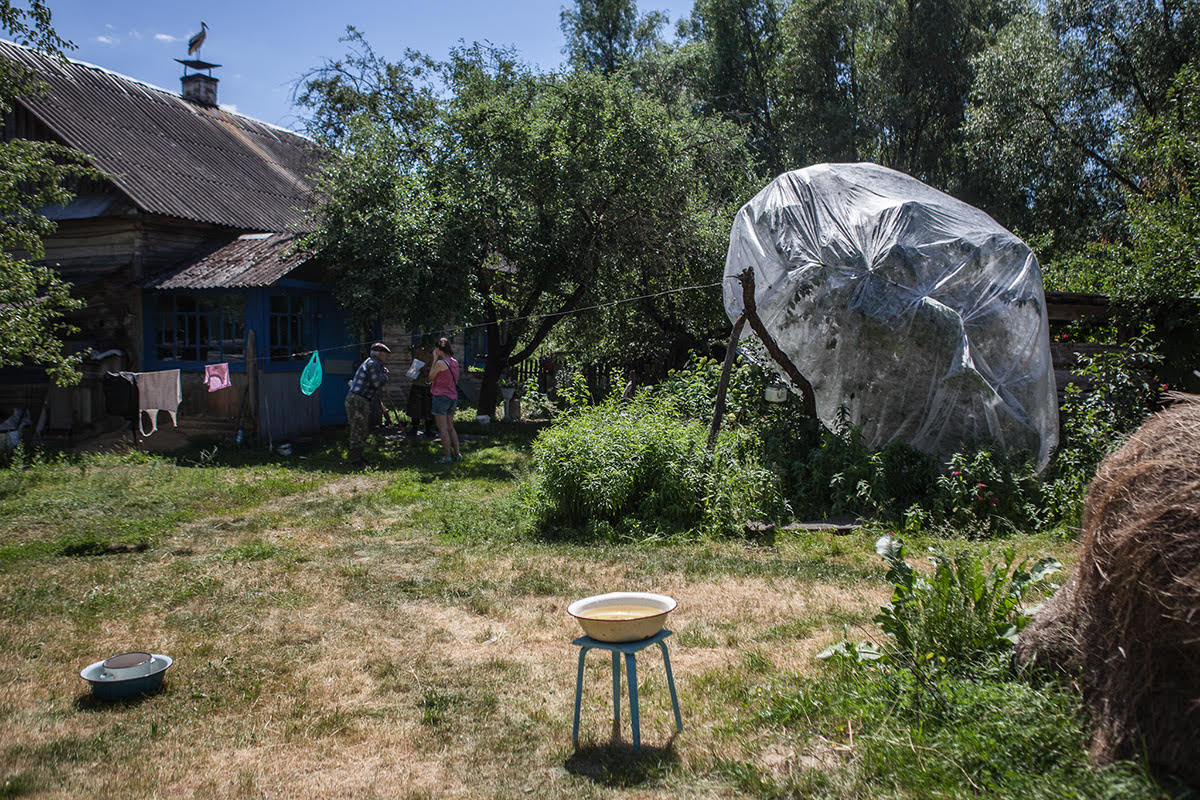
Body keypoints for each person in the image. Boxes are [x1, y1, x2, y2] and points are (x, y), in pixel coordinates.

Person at [345, 342, 390, 467]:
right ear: (380, 354)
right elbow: (376, 383)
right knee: (358, 429)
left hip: (359, 399)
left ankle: (358, 457)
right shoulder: (373, 363)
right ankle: (356, 460)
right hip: (358, 400)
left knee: (361, 429)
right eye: (386, 355)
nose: (386, 358)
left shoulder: (372, 363)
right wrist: (385, 376)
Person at [428, 336, 462, 463]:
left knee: (442, 428)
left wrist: (434, 359)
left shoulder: (440, 363)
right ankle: (457, 454)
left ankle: (447, 457)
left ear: (439, 349)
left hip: (441, 397)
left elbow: (430, 377)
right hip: (452, 396)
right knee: (450, 427)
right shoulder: (455, 362)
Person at [406, 337, 437, 438]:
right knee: (416, 408)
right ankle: (414, 428)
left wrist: (429, 370)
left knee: (429, 408)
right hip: (418, 384)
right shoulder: (419, 353)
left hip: (430, 385)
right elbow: (415, 368)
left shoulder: (436, 355)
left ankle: (428, 429)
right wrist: (423, 369)